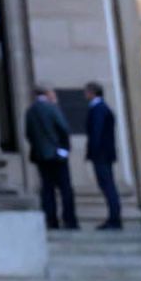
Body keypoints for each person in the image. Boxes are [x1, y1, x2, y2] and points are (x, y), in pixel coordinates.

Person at [24, 86, 77, 231]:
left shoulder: (30, 111)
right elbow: (63, 128)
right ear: (47, 94)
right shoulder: (51, 108)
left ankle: (51, 220)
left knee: (47, 190)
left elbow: (28, 134)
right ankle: (70, 220)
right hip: (57, 155)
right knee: (65, 189)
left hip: (41, 156)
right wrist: (65, 149)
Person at [84, 80, 122, 230]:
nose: (85, 95)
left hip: (101, 155)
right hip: (104, 154)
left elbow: (96, 133)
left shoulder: (99, 109)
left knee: (107, 186)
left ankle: (114, 219)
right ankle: (114, 218)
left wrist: (92, 152)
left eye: (86, 92)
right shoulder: (102, 108)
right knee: (107, 185)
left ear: (92, 93)